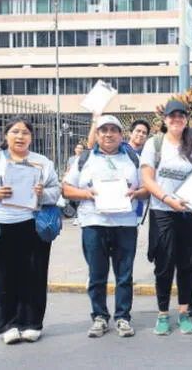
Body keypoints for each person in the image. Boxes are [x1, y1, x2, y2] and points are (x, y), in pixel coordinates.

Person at [0, 116, 61, 344]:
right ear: (6, 135)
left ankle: (32, 323)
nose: (20, 136)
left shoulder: (42, 162)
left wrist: (43, 193)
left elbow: (57, 190)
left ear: (31, 137)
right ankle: (8, 324)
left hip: (33, 225)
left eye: (25, 132)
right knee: (4, 277)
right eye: (15, 132)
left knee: (34, 275)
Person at [63, 115, 148, 339]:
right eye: (104, 130)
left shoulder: (132, 158)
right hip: (93, 223)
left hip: (125, 223)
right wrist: (85, 194)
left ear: (122, 135)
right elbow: (66, 189)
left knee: (124, 275)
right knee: (97, 274)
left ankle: (122, 317)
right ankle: (100, 317)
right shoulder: (85, 158)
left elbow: (147, 189)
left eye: (113, 130)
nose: (108, 134)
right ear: (97, 135)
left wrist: (136, 193)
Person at [140, 101, 192, 336]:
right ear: (165, 120)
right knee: (164, 264)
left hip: (190, 213)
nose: (176, 120)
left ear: (186, 120)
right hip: (163, 211)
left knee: (188, 263)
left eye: (181, 116)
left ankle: (184, 312)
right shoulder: (155, 144)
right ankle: (163, 314)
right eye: (172, 116)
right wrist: (166, 198)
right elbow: (147, 179)